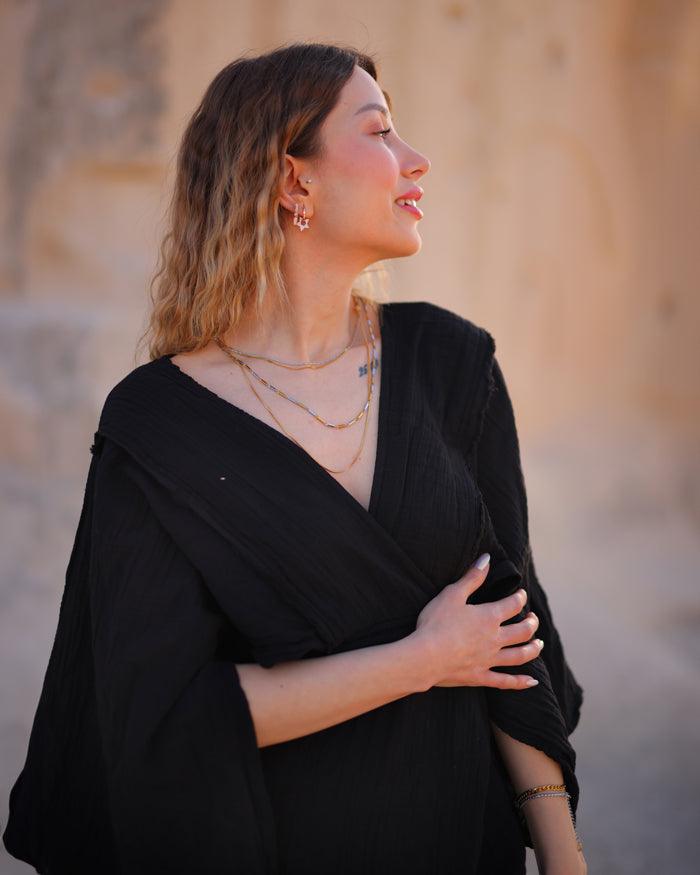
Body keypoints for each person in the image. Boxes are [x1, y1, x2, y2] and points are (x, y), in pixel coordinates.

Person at [2, 42, 585, 875]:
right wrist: (418, 660)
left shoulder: (452, 364)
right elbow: (168, 717)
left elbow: (512, 645)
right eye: (380, 130)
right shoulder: (161, 423)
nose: (416, 160)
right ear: (293, 180)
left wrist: (566, 859)